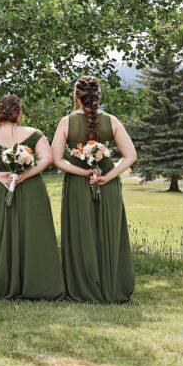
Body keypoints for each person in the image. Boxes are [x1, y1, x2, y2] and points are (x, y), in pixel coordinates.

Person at [0, 94, 64, 300]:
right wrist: (25, 174)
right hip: (30, 188)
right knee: (32, 233)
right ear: (19, 112)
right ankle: (37, 284)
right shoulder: (34, 133)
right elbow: (46, 158)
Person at [52, 75, 137, 303]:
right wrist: (107, 177)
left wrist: (83, 173)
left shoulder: (66, 122)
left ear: (76, 96)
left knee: (80, 232)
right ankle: (112, 285)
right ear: (98, 96)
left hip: (78, 184)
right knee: (108, 230)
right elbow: (131, 156)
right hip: (107, 184)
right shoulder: (112, 120)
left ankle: (82, 287)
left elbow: (57, 159)